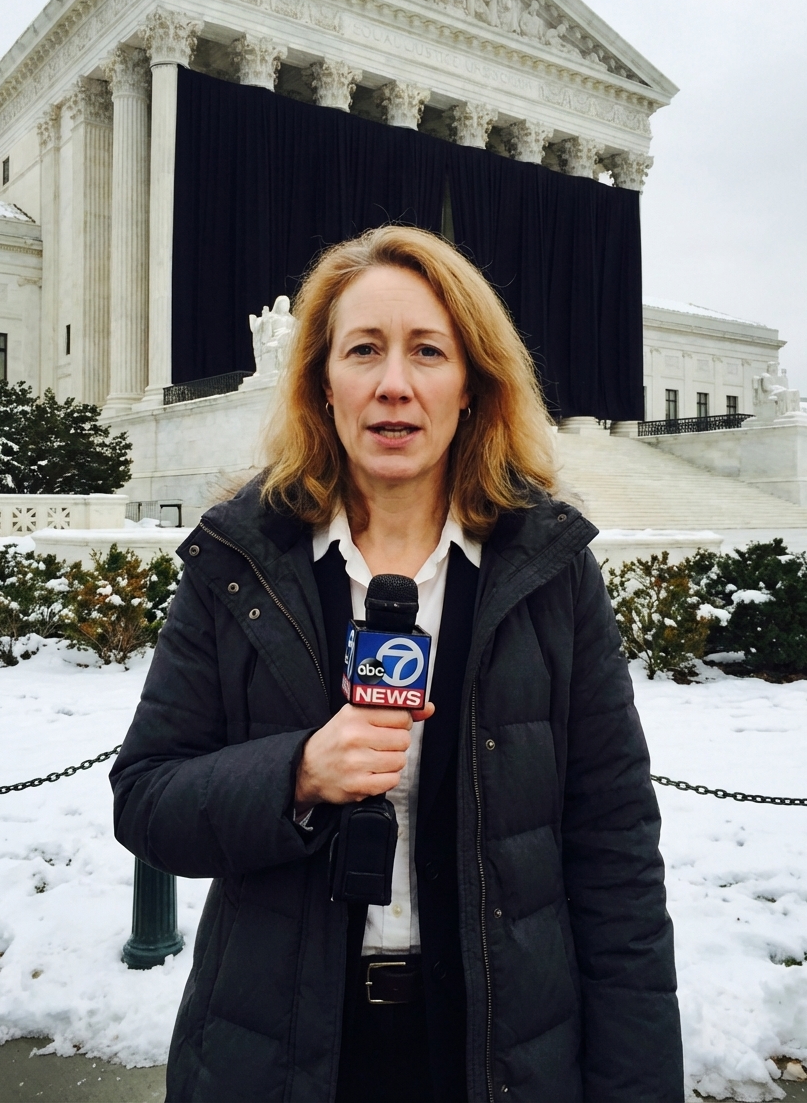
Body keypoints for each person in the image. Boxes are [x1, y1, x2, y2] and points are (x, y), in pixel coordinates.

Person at [111, 225, 683, 1103]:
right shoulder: (241, 563)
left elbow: (614, 855)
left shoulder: (550, 572)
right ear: (321, 383)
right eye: (363, 350)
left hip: (500, 1052)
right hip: (277, 1051)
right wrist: (296, 774)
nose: (393, 384)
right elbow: (149, 800)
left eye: (427, 351)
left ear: (470, 386)